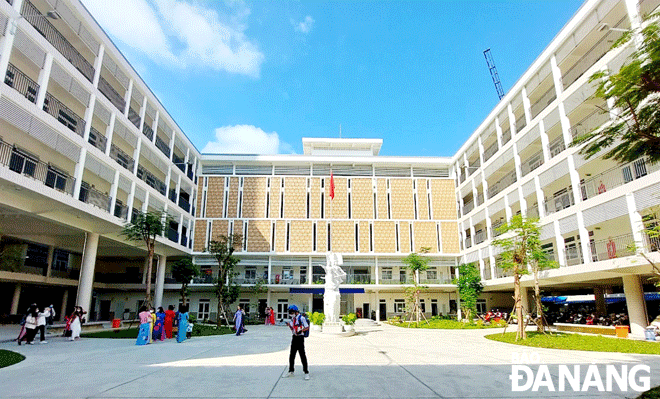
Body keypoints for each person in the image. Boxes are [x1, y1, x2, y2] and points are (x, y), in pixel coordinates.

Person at [283, 305, 310, 380]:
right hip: (294, 337)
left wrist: (301, 330)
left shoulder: (302, 318)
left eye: (291, 312)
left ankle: (306, 372)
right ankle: (291, 371)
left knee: (302, 355)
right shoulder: (293, 319)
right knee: (292, 355)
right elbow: (293, 328)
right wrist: (289, 325)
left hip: (300, 338)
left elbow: (307, 327)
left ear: (295, 311)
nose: (290, 313)